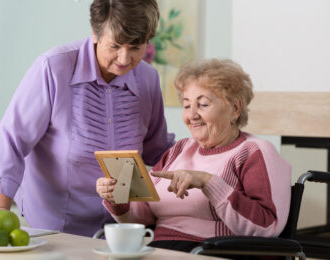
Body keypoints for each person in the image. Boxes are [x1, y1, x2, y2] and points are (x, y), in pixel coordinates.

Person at [0, 0, 174, 237]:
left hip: (122, 229)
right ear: (95, 33)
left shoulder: (148, 79)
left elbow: (157, 150)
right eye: (115, 46)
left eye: (135, 47)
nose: (124, 59)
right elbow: (11, 143)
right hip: (57, 228)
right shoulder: (53, 68)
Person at [96, 59, 291, 252]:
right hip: (158, 248)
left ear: (235, 108)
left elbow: (267, 226)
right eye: (187, 105)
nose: (192, 115)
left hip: (213, 251)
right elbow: (143, 217)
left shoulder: (254, 152)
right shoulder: (179, 149)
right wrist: (118, 197)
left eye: (203, 104)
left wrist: (208, 182)